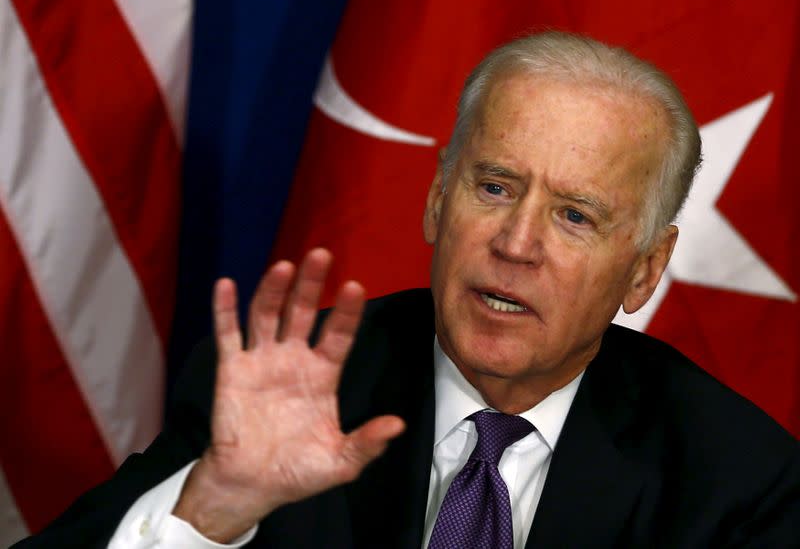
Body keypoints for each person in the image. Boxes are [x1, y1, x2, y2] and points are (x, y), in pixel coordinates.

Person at [15, 31, 799, 549]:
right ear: (436, 199)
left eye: (573, 215)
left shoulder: (737, 483)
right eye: (493, 187)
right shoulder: (277, 391)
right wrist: (211, 507)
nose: (515, 243)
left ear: (644, 270)